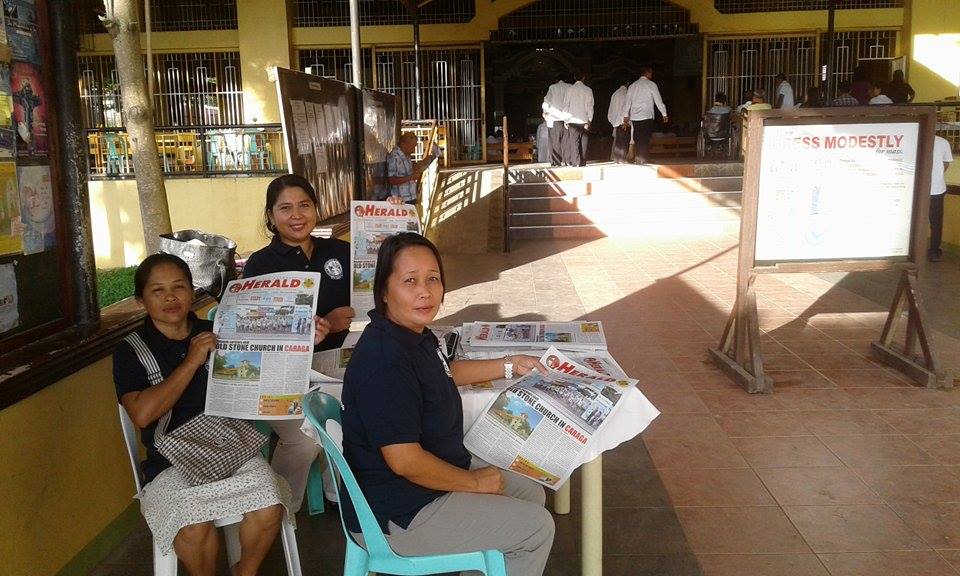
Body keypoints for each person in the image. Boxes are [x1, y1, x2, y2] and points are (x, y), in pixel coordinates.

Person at [341, 232, 555, 576]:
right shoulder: (384, 359)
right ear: (384, 291)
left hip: (425, 481)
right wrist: (473, 483)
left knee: (530, 494)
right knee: (536, 528)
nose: (424, 291)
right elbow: (404, 461)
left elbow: (444, 372)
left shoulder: (412, 334)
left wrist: (509, 363)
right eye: (410, 281)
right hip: (400, 512)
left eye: (433, 279)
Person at [114, 253, 292, 576]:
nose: (170, 297)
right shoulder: (131, 350)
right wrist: (192, 360)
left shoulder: (219, 330)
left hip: (230, 449)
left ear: (192, 292)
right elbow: (141, 414)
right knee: (194, 525)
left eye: (179, 287)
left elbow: (262, 373)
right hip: (169, 462)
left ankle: (245, 571)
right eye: (158, 290)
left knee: (270, 504)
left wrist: (302, 339)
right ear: (141, 300)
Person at [243, 173, 354, 512]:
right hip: (281, 375)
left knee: (372, 403)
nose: (296, 215)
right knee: (307, 438)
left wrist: (390, 216)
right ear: (271, 216)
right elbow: (251, 331)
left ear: (316, 209)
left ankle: (343, 495)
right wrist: (303, 333)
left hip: (331, 362)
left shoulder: (340, 251)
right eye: (285, 208)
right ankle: (276, 511)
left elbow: (377, 282)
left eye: (304, 205)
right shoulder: (260, 264)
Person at [619, 66, 669, 165]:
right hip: (647, 115)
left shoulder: (633, 86)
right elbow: (658, 100)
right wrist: (664, 113)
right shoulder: (651, 85)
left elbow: (627, 102)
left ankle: (639, 157)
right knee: (645, 137)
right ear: (648, 73)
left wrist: (625, 115)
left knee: (637, 137)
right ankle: (644, 158)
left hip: (635, 116)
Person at [385, 132, 438, 204]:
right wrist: (411, 177)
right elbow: (392, 180)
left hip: (410, 197)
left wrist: (428, 159)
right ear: (403, 144)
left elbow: (411, 168)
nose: (414, 150)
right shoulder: (394, 158)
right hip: (400, 200)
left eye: (415, 147)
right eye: (412, 147)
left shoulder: (405, 155)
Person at [928, 135, 954, 262]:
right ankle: (934, 252)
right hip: (937, 189)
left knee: (914, 220)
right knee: (936, 223)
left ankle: (912, 249)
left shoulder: (916, 137)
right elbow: (946, 164)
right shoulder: (943, 142)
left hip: (918, 189)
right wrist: (936, 175)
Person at [561, 71, 594, 167]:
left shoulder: (569, 90)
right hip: (584, 120)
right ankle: (583, 162)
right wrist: (589, 120)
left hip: (572, 120)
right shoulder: (588, 90)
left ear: (574, 77)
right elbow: (590, 106)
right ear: (583, 77)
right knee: (584, 142)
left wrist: (565, 120)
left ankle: (576, 163)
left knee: (574, 142)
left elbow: (566, 105)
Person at [542, 76, 570, 166]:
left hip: (554, 118)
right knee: (566, 141)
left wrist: (545, 112)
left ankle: (556, 161)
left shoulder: (552, 87)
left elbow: (546, 101)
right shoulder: (570, 87)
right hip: (568, 118)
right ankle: (566, 160)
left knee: (555, 141)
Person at [607, 82, 630, 163]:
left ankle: (617, 158)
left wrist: (612, 121)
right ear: (627, 84)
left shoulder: (615, 94)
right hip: (624, 121)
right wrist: (624, 121)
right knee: (624, 140)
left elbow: (611, 109)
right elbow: (625, 108)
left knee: (618, 140)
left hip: (616, 121)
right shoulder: (626, 93)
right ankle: (622, 159)